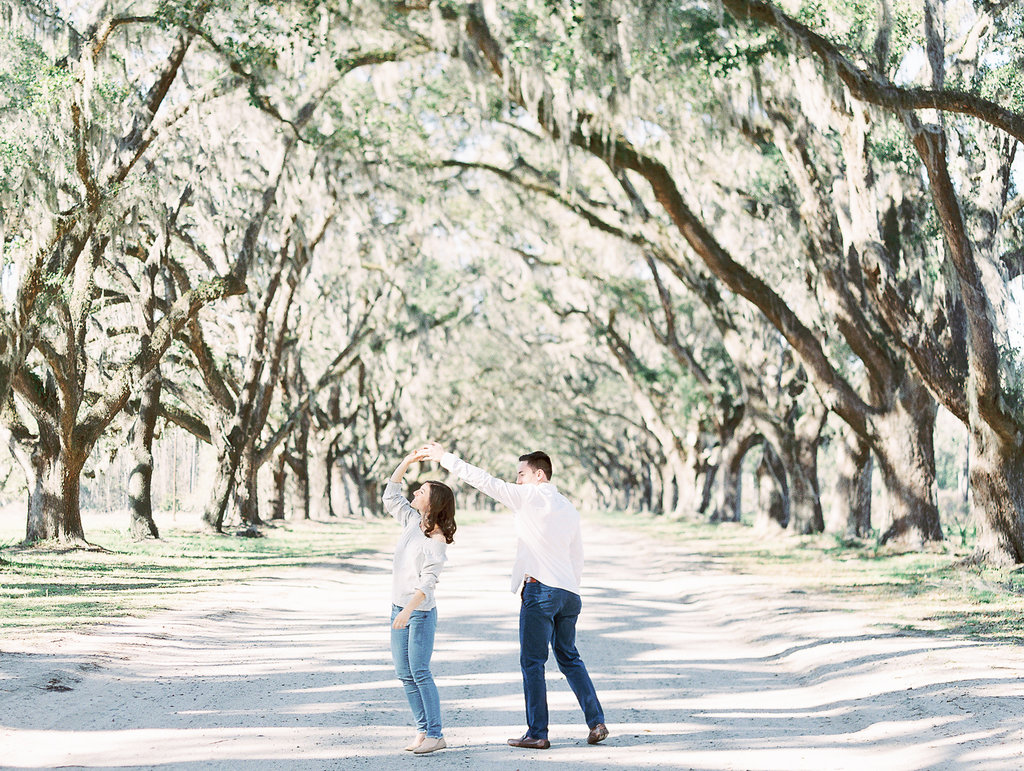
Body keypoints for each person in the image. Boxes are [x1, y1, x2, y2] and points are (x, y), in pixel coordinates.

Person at [419, 442, 608, 749]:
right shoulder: (568, 507)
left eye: (522, 474)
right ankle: (596, 721)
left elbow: (484, 481)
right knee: (569, 657)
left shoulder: (529, 495)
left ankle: (537, 733)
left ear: (540, 476)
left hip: (541, 590)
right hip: (569, 593)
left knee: (533, 662)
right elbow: (578, 556)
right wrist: (570, 588)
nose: (517, 481)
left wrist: (445, 459)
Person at [383, 449, 457, 755]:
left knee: (420, 671)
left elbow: (428, 584)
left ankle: (435, 733)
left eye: (422, 491)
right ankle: (423, 730)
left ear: (433, 503)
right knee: (404, 673)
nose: (415, 491)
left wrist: (408, 611)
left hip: (420, 613)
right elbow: (391, 496)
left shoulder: (436, 539)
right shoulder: (412, 521)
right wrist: (406, 462)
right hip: (398, 608)